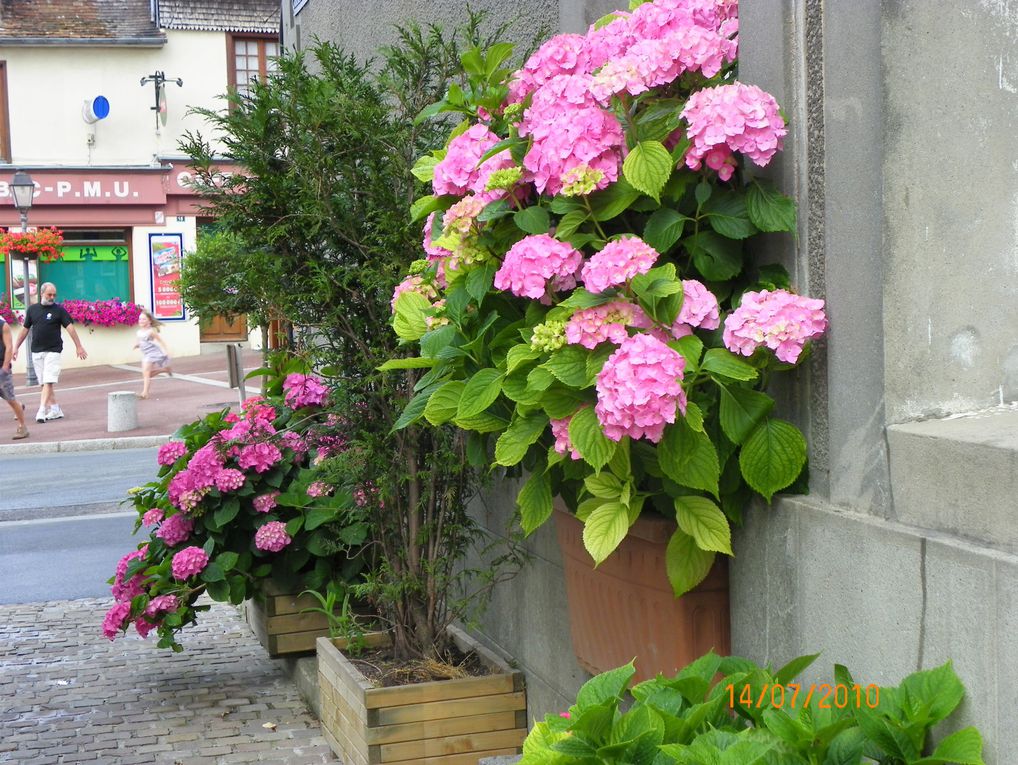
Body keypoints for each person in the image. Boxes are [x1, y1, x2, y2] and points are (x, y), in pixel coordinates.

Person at [12, 282, 87, 422]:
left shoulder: (59, 310)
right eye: (49, 294)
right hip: (36, 351)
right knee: (43, 383)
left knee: (48, 381)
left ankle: (41, 411)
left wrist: (79, 346)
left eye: (54, 295)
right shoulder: (32, 310)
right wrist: (16, 347)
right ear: (42, 293)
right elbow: (24, 330)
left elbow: (70, 328)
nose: (52, 297)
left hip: (53, 350)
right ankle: (55, 409)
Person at [0, 313, 29, 439]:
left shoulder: (3, 325)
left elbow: (9, 347)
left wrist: (5, 367)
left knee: (10, 399)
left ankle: (23, 427)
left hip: (1, 369)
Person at [133, 309, 173, 399]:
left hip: (154, 353)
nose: (141, 321)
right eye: (140, 319)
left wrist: (166, 351)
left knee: (146, 374)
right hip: (146, 354)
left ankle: (144, 393)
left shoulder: (151, 331)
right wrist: (137, 345)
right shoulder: (138, 332)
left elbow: (161, 341)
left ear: (149, 321)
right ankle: (164, 369)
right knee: (148, 374)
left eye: (143, 319)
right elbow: (139, 342)